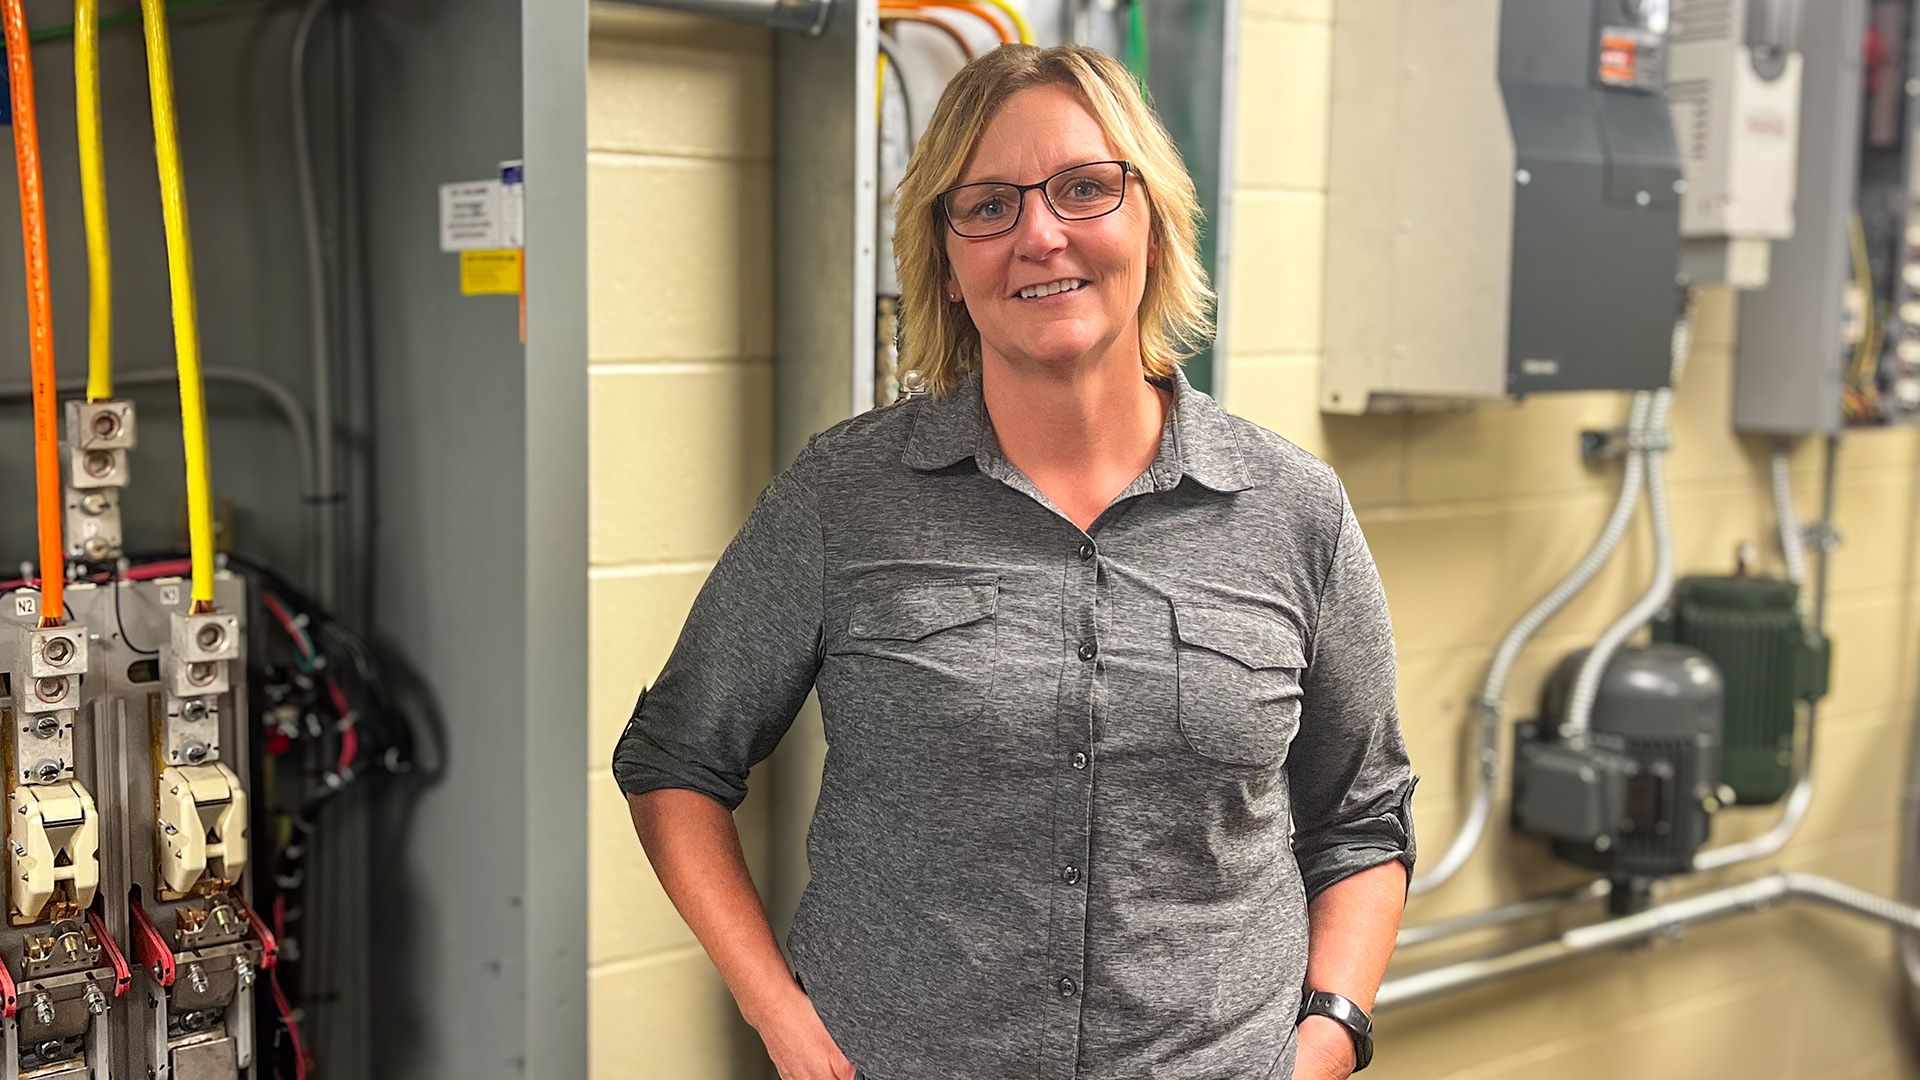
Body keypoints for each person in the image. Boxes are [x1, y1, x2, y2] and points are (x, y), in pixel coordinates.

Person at [615, 43, 1417, 1080]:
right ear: (946, 263)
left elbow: (1363, 819)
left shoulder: (1292, 510)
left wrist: (1328, 1040)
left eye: (1086, 188)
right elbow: (673, 762)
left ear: (1154, 221)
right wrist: (782, 1019)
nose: (1040, 234)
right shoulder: (845, 498)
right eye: (987, 206)